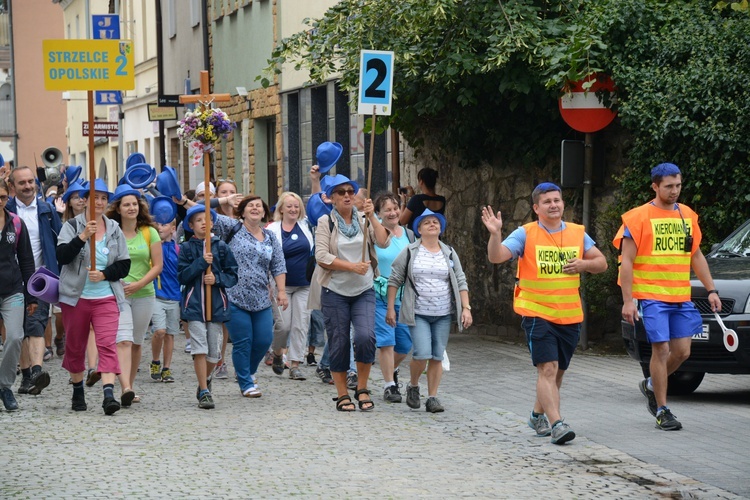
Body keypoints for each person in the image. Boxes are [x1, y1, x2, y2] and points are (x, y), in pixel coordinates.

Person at [481, 182, 607, 444]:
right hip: (537, 312)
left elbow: (602, 262)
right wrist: (495, 234)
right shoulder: (525, 234)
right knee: (547, 369)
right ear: (536, 208)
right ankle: (557, 424)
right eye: (547, 202)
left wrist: (584, 263)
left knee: (556, 373)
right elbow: (497, 256)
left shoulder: (577, 233)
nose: (554, 205)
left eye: (557, 200)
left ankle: (537, 415)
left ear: (563, 204)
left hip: (570, 315)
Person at [614, 163, 720, 431]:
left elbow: (695, 255)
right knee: (661, 349)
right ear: (655, 186)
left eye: (678, 185)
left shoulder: (687, 215)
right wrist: (629, 300)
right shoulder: (637, 218)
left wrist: (711, 290)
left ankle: (651, 384)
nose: (675, 191)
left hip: (680, 296)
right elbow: (626, 262)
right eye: (669, 186)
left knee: (682, 352)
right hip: (651, 296)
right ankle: (662, 409)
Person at [308, 174, 389, 411]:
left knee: (365, 337)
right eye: (341, 192)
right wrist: (351, 266)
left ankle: (362, 388)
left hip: (363, 290)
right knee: (339, 341)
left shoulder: (365, 219)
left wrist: (373, 216)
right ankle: (342, 393)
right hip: (335, 290)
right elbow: (321, 256)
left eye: (350, 192)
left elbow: (384, 243)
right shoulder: (326, 222)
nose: (346, 195)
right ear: (332, 198)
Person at [56, 179, 131, 415]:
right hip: (76, 299)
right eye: (94, 197)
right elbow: (61, 256)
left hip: (106, 297)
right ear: (84, 200)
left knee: (107, 344)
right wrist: (81, 237)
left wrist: (105, 274)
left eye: (103, 198)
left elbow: (124, 264)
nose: (99, 202)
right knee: (75, 346)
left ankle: (108, 394)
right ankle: (78, 390)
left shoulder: (114, 228)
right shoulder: (71, 226)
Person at [386, 209, 471, 413]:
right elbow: (395, 278)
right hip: (418, 312)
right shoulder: (410, 251)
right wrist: (390, 308)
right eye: (427, 223)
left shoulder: (449, 252)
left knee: (437, 356)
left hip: (443, 313)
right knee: (422, 353)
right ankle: (413, 385)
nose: (432, 224)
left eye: (436, 222)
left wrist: (466, 307)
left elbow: (460, 279)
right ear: (419, 229)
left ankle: (432, 397)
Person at [213, 195, 288, 398]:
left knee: (264, 340)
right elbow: (203, 212)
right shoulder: (232, 228)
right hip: (234, 294)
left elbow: (278, 265)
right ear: (243, 211)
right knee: (243, 341)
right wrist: (223, 201)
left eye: (259, 206)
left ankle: (247, 371)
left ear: (264, 213)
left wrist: (281, 291)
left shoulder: (270, 237)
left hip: (261, 297)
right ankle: (246, 382)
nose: (255, 208)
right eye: (250, 206)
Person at [105, 185, 163, 406]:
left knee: (137, 342)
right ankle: (124, 387)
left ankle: (130, 385)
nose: (131, 208)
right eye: (126, 204)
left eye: (135, 204)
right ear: (118, 208)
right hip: (117, 294)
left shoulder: (150, 232)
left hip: (144, 292)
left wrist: (138, 285)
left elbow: (158, 266)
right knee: (124, 340)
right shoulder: (110, 230)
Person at [7, 166, 62, 396]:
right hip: (10, 277)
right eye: (22, 183)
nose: (28, 186)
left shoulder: (47, 210)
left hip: (40, 277)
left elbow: (60, 242)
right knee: (18, 331)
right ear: (13, 187)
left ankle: (38, 371)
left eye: (31, 181)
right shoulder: (6, 209)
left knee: (37, 325)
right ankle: (27, 374)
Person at [178, 205, 238, 409]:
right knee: (199, 349)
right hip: (194, 307)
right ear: (191, 225)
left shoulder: (221, 247)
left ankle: (206, 377)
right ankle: (204, 390)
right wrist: (201, 263)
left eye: (207, 219)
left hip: (216, 306)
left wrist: (217, 278)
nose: (204, 222)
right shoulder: (186, 248)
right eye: (198, 220)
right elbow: (182, 275)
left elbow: (233, 275)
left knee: (215, 354)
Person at [266, 191, 314, 381]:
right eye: (289, 206)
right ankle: (277, 353)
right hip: (281, 286)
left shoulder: (306, 226)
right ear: (281, 209)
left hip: (304, 284)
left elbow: (317, 204)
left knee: (301, 325)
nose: (293, 209)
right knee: (283, 325)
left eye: (296, 206)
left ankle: (295, 364)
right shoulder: (272, 229)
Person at [372, 192, 415, 403]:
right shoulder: (374, 233)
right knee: (386, 342)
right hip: (379, 294)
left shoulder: (409, 234)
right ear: (378, 213)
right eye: (387, 209)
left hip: (404, 296)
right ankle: (390, 385)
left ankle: (393, 369)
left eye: (395, 208)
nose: (392, 212)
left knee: (405, 344)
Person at [0, 178, 37, 411]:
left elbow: (26, 260)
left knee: (14, 337)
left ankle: (5, 387)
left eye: (3, 197)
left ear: (8, 197)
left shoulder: (16, 223)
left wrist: (31, 295)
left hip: (12, 289)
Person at [213, 179, 241, 380]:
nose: (230, 195)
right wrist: (223, 200)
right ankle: (219, 360)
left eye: (233, 191)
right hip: (217, 273)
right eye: (224, 192)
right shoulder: (211, 218)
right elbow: (200, 206)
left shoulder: (245, 216)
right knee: (220, 321)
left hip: (241, 275)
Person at [149, 217, 181, 383]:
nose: (160, 227)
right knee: (159, 331)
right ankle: (155, 360)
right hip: (157, 295)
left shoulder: (178, 249)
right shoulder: (153, 246)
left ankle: (166, 368)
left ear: (173, 228)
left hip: (174, 296)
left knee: (170, 334)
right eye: (158, 224)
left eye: (164, 224)